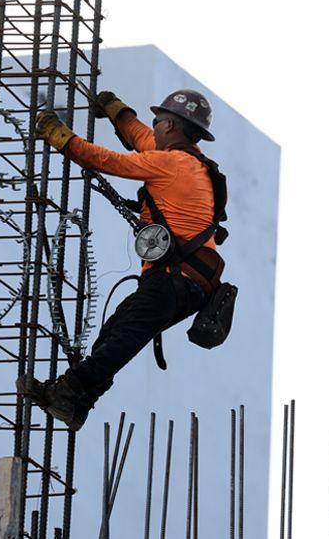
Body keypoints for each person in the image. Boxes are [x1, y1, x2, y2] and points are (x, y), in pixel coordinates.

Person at [17, 89, 228, 431]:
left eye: (158, 121)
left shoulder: (172, 164)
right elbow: (141, 136)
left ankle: (68, 393)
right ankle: (76, 403)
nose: (154, 127)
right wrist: (118, 112)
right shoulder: (185, 159)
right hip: (186, 280)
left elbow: (107, 160)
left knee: (124, 335)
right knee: (117, 329)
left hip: (178, 277)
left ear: (171, 125)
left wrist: (62, 138)